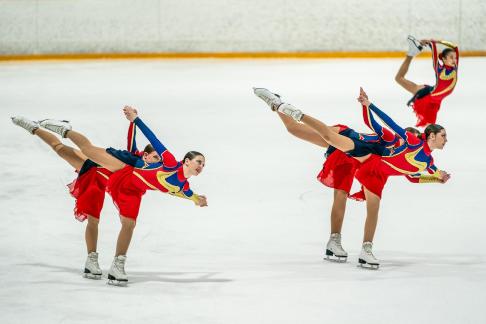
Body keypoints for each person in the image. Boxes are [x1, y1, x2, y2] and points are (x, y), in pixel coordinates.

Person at [254, 88, 450, 269]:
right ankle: (280, 105)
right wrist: (367, 106)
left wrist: (436, 177)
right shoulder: (394, 138)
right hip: (350, 141)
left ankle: (336, 241)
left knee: (342, 193)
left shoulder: (412, 155)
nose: (407, 137)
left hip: (356, 157)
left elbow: (416, 174)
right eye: (408, 135)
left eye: (411, 135)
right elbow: (375, 124)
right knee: (296, 130)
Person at [10, 115, 161, 280]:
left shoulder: (151, 174)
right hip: (93, 169)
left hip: (113, 185)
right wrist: (133, 121)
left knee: (114, 222)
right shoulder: (133, 160)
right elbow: (131, 140)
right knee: (59, 148)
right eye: (155, 157)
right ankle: (34, 128)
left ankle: (105, 264)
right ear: (145, 156)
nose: (157, 162)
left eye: (159, 159)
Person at [395, 35, 459, 127]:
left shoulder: (455, 67)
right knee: (399, 78)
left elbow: (454, 46)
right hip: (427, 96)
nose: (454, 60)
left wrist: (437, 41)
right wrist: (431, 42)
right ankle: (411, 54)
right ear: (444, 59)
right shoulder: (439, 69)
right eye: (451, 57)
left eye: (455, 58)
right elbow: (434, 51)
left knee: (430, 128)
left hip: (435, 99)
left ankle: (412, 52)